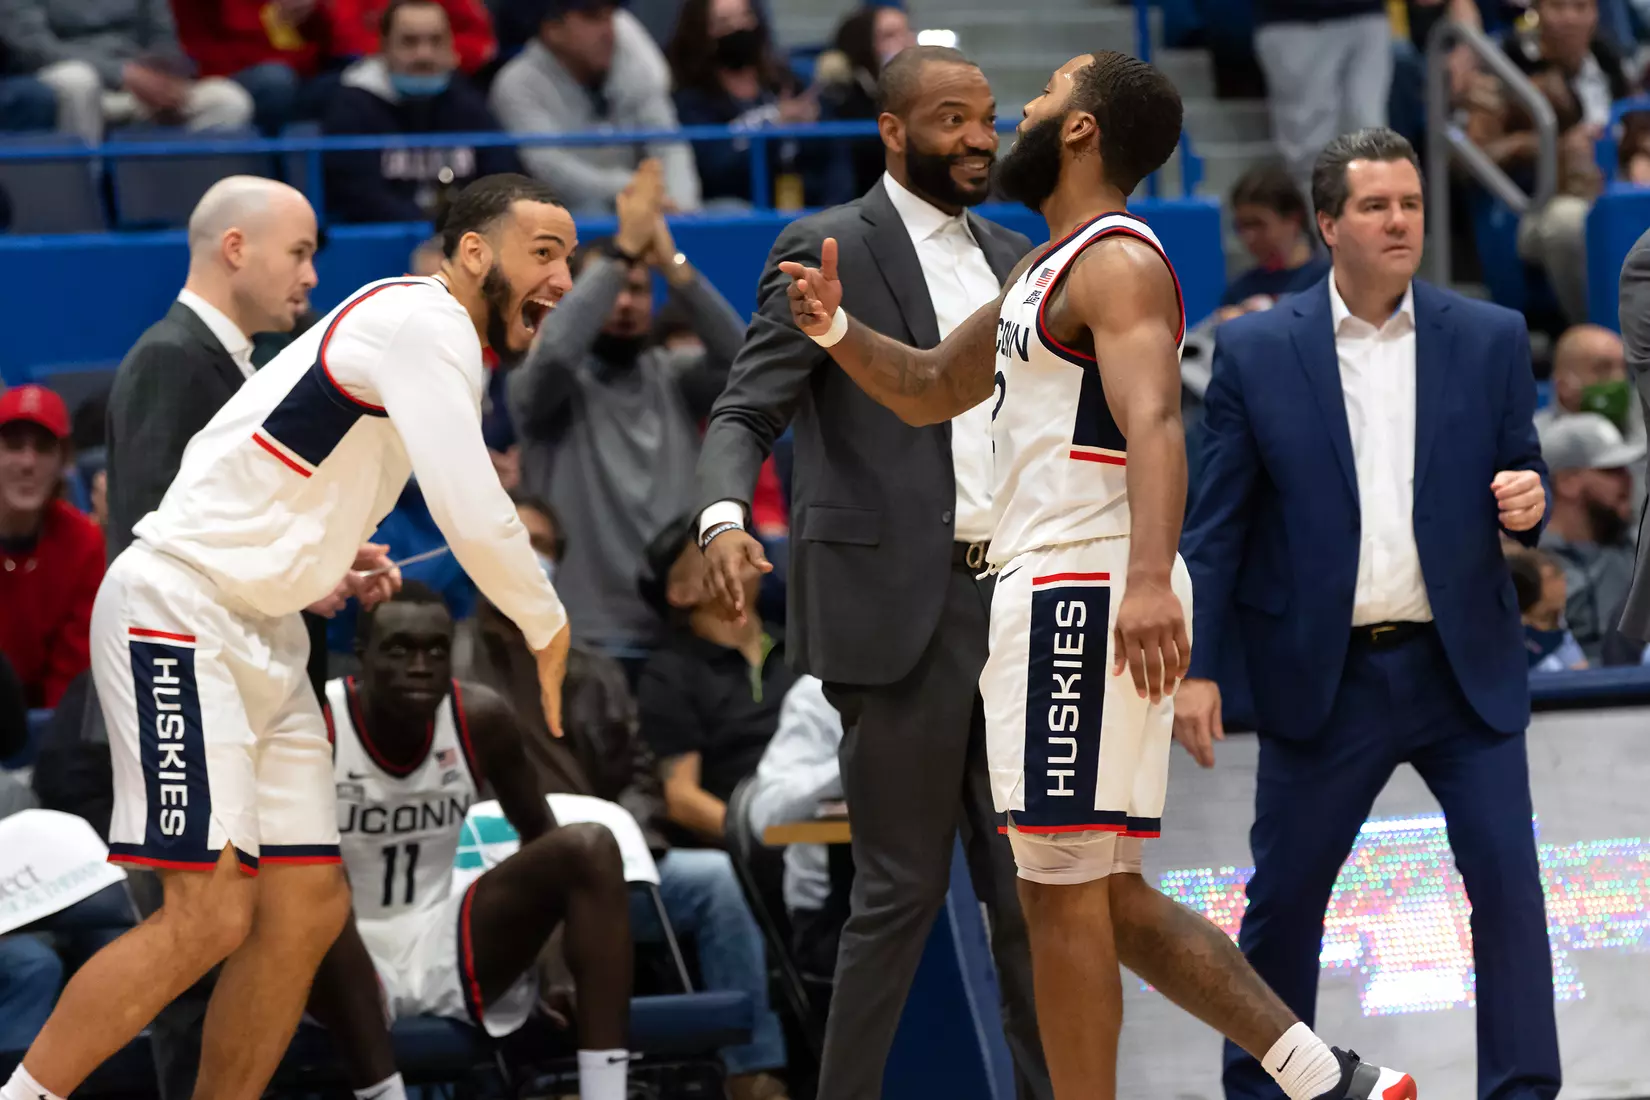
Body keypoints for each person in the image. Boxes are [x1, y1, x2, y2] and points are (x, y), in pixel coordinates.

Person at [780, 54, 1414, 1100]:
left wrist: (1153, 579)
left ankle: (1320, 1077)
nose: (1019, 112)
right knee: (1084, 890)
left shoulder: (1115, 262)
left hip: (1085, 582)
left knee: (1063, 897)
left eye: (1040, 98)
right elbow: (933, 383)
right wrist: (835, 331)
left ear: (1080, 131)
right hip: (1057, 581)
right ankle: (1324, 1076)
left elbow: (1160, 420)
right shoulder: (1044, 265)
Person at [0, 172, 575, 1100]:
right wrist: (548, 626)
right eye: (544, 253)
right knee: (208, 915)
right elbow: (471, 508)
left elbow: (271, 473)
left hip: (263, 628)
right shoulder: (423, 319)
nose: (563, 277)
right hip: (179, 613)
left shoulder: (434, 349)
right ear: (476, 254)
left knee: (305, 910)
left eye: (571, 260)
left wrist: (317, 566)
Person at [694, 44, 1051, 1100]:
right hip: (901, 603)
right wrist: (722, 515)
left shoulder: (1021, 251)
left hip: (1020, 602)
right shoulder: (825, 240)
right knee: (897, 890)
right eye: (950, 120)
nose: (978, 138)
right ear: (891, 130)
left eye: (986, 118)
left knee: (1034, 892)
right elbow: (746, 405)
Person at [1177, 128, 1557, 1100]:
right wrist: (1198, 667)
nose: (1400, 220)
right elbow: (1215, 529)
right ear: (1328, 223)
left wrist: (1529, 499)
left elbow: (1525, 472)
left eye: (1413, 204)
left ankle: (1521, 1089)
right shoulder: (1257, 351)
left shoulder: (1490, 335)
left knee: (1510, 889)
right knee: (1284, 902)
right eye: (1378, 205)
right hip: (1328, 674)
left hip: (1459, 665)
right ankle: (1261, 1088)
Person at [309, 585, 632, 1100]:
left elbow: (539, 834)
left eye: (436, 650)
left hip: (442, 936)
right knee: (307, 892)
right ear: (362, 655)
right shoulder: (315, 725)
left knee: (590, 846)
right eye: (399, 649)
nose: (421, 665)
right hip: (339, 955)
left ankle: (607, 1093)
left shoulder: (480, 719)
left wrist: (553, 964)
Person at [511, 160, 743, 659]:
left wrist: (671, 263)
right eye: (611, 292)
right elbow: (552, 354)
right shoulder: (544, 392)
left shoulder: (675, 378)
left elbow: (744, 364)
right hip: (579, 640)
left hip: (676, 636)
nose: (624, 304)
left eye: (638, 291)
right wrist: (621, 254)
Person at [107, 176, 319, 560]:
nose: (310, 277)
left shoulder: (224, 356)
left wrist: (311, 567)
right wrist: (284, 571)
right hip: (180, 619)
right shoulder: (168, 359)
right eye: (298, 253)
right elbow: (159, 537)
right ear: (235, 249)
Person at [637, 515, 797, 846]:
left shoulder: (802, 648)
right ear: (679, 592)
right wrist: (766, 839)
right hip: (747, 842)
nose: (731, 544)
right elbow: (681, 798)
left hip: (830, 822)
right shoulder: (670, 673)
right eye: (706, 544)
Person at [489, 0, 699, 213]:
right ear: (552, 29)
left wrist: (680, 204)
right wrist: (630, 188)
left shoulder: (631, 65)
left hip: (645, 208)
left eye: (610, 16)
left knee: (727, 208)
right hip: (564, 221)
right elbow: (550, 169)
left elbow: (669, 146)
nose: (608, 30)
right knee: (590, 211)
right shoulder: (517, 83)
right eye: (593, 18)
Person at [323, 0, 522, 224]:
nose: (424, 54)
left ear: (450, 46)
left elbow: (503, 179)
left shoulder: (468, 101)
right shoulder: (354, 105)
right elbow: (357, 197)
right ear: (384, 47)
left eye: (436, 41)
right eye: (409, 42)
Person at [0, 0, 255, 146]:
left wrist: (167, 74)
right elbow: (35, 49)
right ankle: (90, 196)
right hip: (72, 81)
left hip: (141, 84)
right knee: (77, 80)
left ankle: (187, 209)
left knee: (227, 101)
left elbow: (163, 37)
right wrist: (122, 74)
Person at [0, 385, 105, 710]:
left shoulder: (84, 544)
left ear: (64, 461)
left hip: (48, 734)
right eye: (14, 446)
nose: (28, 462)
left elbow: (70, 686)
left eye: (43, 448)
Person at [664, 0, 820, 208]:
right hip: (729, 206)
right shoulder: (691, 99)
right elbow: (713, 168)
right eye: (724, 22)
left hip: (796, 201)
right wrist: (774, 124)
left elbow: (831, 156)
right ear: (702, 32)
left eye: (745, 16)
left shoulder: (786, 82)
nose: (738, 27)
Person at [1251, 0, 1393, 194]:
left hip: (1365, 14)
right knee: (1310, 149)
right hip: (1291, 20)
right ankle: (1318, 221)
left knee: (1369, 131)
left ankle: (1372, 218)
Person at [1537, 412, 1642, 660]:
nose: (1627, 480)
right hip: (1565, 695)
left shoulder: (1640, 550)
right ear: (1567, 483)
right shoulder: (1531, 566)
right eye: (1611, 471)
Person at [815, 6, 919, 203]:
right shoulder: (843, 97)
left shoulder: (930, 92)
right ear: (865, 44)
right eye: (890, 36)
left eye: (908, 32)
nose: (905, 42)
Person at [1218, 162, 1329, 320]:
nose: (1249, 236)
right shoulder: (1239, 291)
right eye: (1242, 225)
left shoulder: (1328, 281)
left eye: (1258, 224)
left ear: (1293, 220)